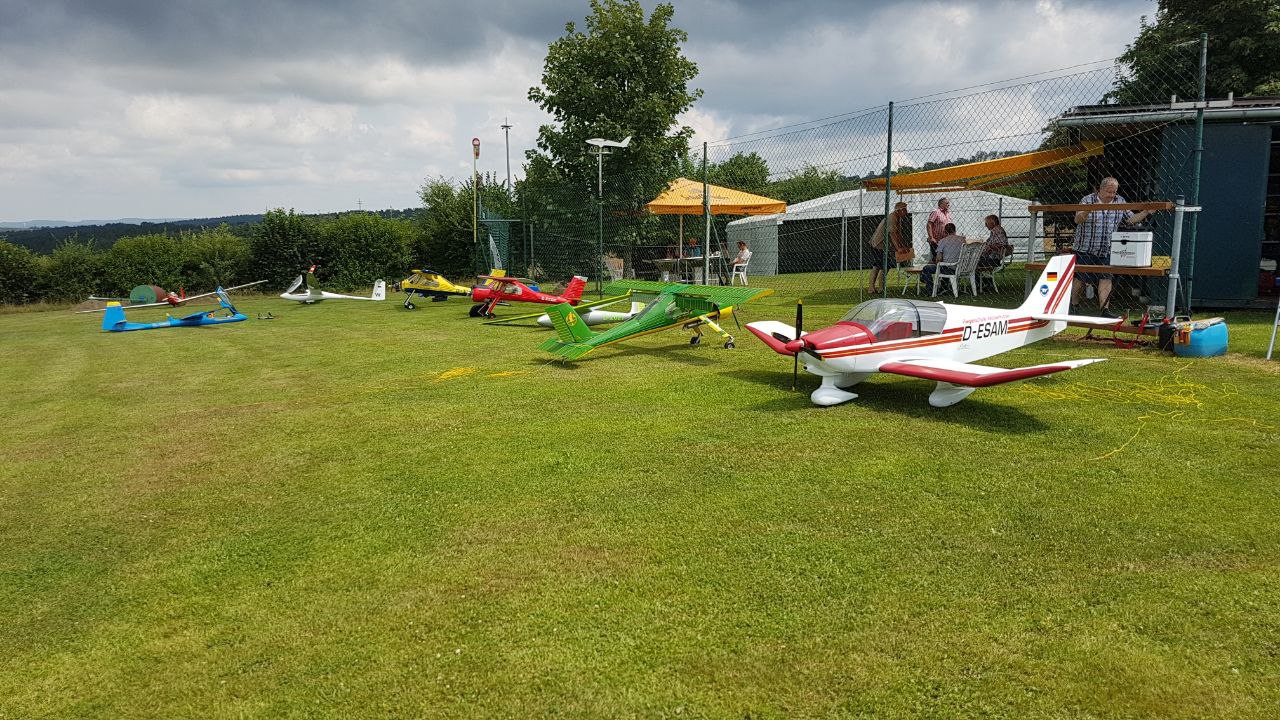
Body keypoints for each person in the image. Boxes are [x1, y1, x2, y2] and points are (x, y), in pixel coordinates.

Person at [1072, 177, 1152, 309]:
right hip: (1085, 248)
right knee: (1080, 279)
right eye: (1109, 192)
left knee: (1106, 278)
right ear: (1100, 189)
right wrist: (1088, 210)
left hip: (1107, 249)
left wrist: (1146, 212)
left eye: (1114, 192)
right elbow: (1077, 219)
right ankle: (1074, 304)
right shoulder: (1087, 200)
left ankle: (1104, 309)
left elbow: (1131, 219)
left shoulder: (1120, 201)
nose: (1111, 195)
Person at [867, 202, 911, 294]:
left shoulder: (896, 218)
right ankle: (880, 288)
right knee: (883, 266)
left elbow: (898, 234)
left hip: (880, 245)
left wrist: (902, 246)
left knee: (878, 266)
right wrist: (898, 248)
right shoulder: (892, 218)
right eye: (905, 210)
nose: (907, 212)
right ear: (899, 210)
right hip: (879, 245)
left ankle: (874, 288)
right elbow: (893, 234)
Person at [918, 223, 964, 292]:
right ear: (955, 230)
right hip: (961, 268)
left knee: (926, 268)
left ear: (945, 232)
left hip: (949, 268)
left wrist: (935, 262)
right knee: (944, 266)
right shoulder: (962, 240)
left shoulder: (943, 241)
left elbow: (938, 259)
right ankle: (943, 287)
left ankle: (930, 290)